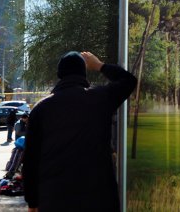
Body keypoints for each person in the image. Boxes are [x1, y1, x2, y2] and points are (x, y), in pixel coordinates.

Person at [24, 51, 136, 211]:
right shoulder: (101, 98)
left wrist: (32, 201)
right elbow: (129, 81)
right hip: (98, 197)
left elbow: (31, 159)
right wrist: (99, 65)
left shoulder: (41, 109)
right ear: (84, 73)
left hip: (55, 197)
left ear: (59, 74)